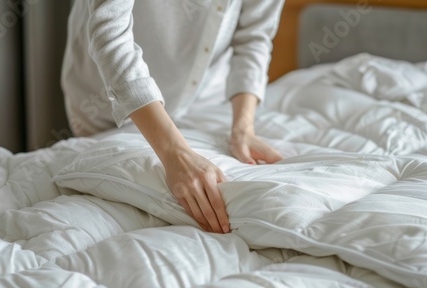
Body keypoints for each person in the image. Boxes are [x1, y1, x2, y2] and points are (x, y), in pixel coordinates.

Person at [61, 0, 285, 234]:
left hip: (202, 98)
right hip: (107, 99)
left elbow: (253, 38)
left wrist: (244, 128)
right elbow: (110, 31)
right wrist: (175, 153)